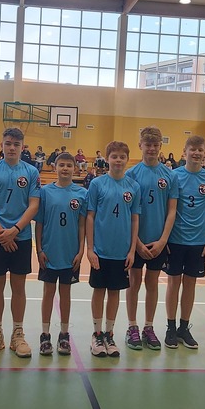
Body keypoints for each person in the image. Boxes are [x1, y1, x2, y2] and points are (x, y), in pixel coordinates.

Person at [0, 128, 40, 358]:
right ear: (2, 145)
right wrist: (0, 232)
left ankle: (18, 334)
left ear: (23, 146)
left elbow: (34, 205)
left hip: (20, 237)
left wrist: (15, 230)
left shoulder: (31, 172)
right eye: (8, 143)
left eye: (16, 144)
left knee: (18, 287)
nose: (12, 147)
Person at [124, 127, 178, 351]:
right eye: (148, 145)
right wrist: (136, 242)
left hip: (158, 241)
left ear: (161, 147)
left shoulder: (170, 175)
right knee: (134, 282)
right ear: (140, 145)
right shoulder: (131, 174)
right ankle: (132, 326)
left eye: (156, 145)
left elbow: (172, 210)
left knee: (152, 283)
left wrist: (163, 240)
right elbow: (128, 212)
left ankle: (148, 326)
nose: (152, 149)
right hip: (136, 240)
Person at [86, 141, 140, 358]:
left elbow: (135, 219)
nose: (118, 160)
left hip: (121, 251)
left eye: (122, 157)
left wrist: (132, 250)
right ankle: (97, 334)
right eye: (114, 156)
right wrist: (90, 249)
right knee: (99, 291)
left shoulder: (133, 186)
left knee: (115, 292)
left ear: (127, 159)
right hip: (101, 250)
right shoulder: (97, 184)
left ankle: (109, 334)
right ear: (107, 159)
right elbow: (90, 217)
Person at [164, 136, 205, 349]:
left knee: (190, 284)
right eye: (192, 149)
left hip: (197, 242)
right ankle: (170, 327)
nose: (196, 153)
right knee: (173, 283)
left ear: (204, 153)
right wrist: (165, 237)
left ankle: (183, 328)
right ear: (184, 151)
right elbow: (169, 209)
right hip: (176, 240)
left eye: (200, 149)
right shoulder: (174, 176)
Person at [35, 152, 87, 355]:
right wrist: (39, 249)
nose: (65, 168)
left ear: (74, 168)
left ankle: (64, 335)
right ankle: (45, 335)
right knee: (48, 293)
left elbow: (82, 225)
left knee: (66, 293)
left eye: (69, 165)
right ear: (55, 167)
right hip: (49, 253)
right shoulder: (45, 192)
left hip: (70, 254)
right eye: (61, 165)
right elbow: (39, 224)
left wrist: (81, 251)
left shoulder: (82, 193)